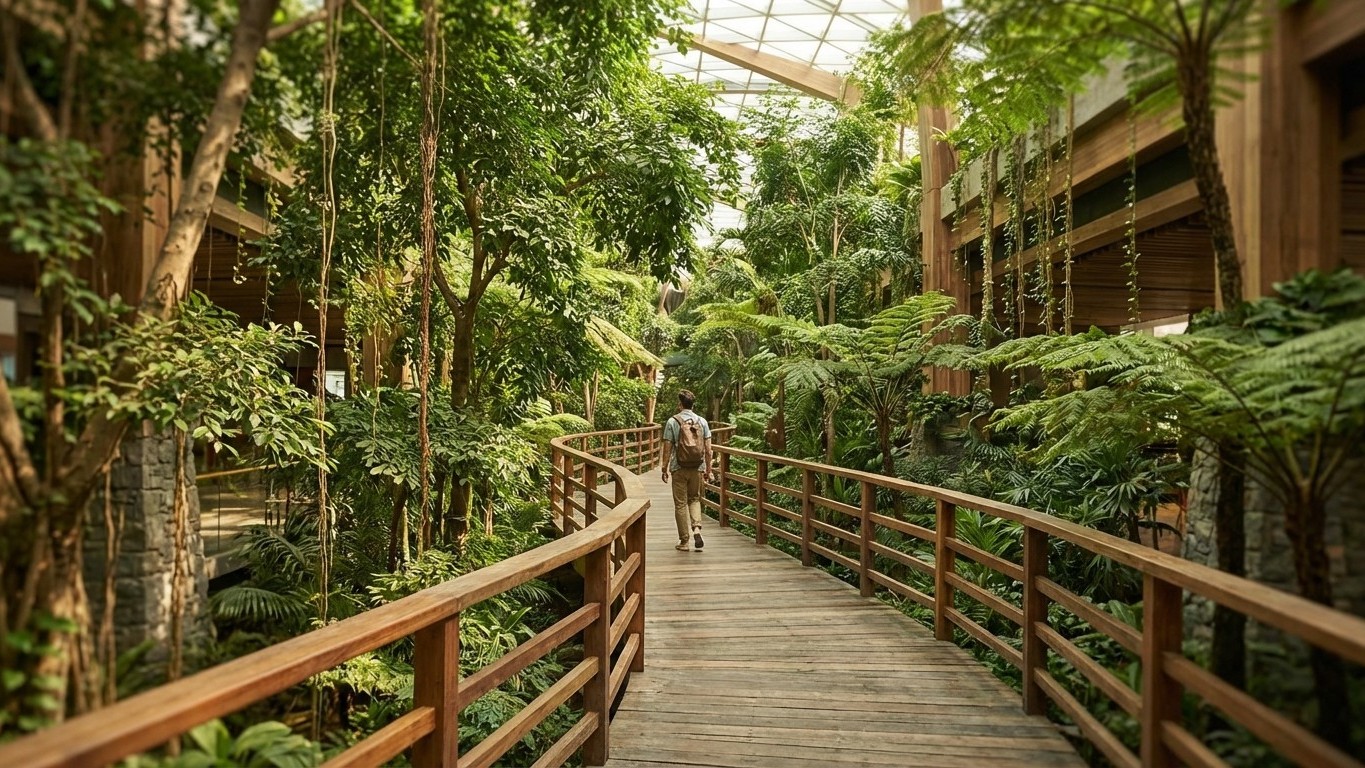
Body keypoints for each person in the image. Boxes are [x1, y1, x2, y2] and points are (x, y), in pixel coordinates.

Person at [660, 390, 713, 552]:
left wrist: (664, 468)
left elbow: (667, 448)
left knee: (680, 504)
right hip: (697, 467)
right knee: (695, 499)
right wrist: (708, 469)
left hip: (678, 467)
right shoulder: (702, 421)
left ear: (680, 404)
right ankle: (696, 528)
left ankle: (684, 541)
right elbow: (709, 450)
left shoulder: (672, 421)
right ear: (693, 405)